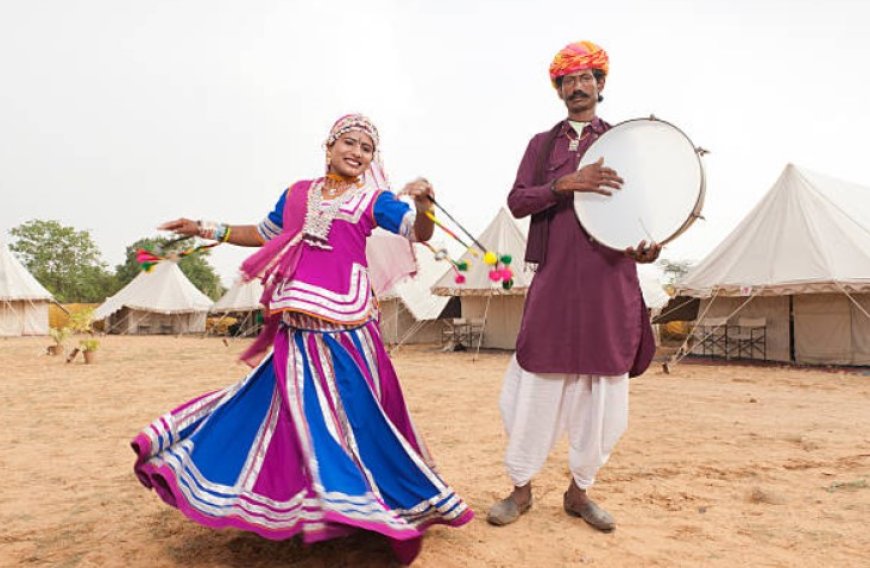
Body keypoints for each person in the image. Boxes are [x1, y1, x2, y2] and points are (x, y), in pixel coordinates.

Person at [132, 114, 473, 565]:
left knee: (358, 421)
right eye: (348, 142)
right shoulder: (297, 194)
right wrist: (206, 227)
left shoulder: (376, 200)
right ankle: (309, 507)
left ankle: (364, 503)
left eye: (366, 148)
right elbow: (263, 233)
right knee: (292, 419)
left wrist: (426, 204)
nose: (356, 152)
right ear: (328, 146)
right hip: (297, 327)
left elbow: (419, 232)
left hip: (348, 330)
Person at [486, 41, 660, 532]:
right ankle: (520, 489)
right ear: (559, 89)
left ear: (601, 85)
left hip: (611, 280)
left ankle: (580, 493)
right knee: (535, 385)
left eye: (587, 77)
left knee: (603, 392)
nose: (578, 86)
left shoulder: (625, 142)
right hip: (556, 278)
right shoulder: (543, 145)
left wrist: (650, 247)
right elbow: (519, 201)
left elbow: (648, 213)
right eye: (568, 79)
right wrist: (565, 184)